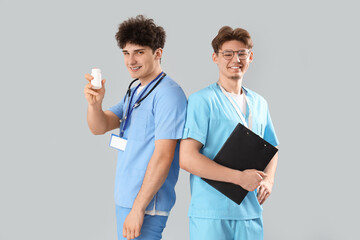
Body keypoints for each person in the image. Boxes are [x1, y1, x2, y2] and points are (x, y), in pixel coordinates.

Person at [83, 15, 187, 240]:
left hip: (146, 205)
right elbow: (99, 126)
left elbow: (163, 156)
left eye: (139, 52)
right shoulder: (135, 91)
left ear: (157, 53)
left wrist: (138, 208)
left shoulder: (168, 95)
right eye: (126, 53)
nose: (131, 60)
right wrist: (95, 104)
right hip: (126, 198)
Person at [179, 26, 279, 240]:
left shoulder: (260, 103)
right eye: (228, 54)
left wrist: (268, 180)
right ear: (215, 57)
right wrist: (239, 178)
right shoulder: (202, 101)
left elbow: (272, 147)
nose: (236, 59)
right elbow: (187, 158)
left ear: (250, 57)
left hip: (249, 213)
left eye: (242, 53)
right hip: (211, 214)